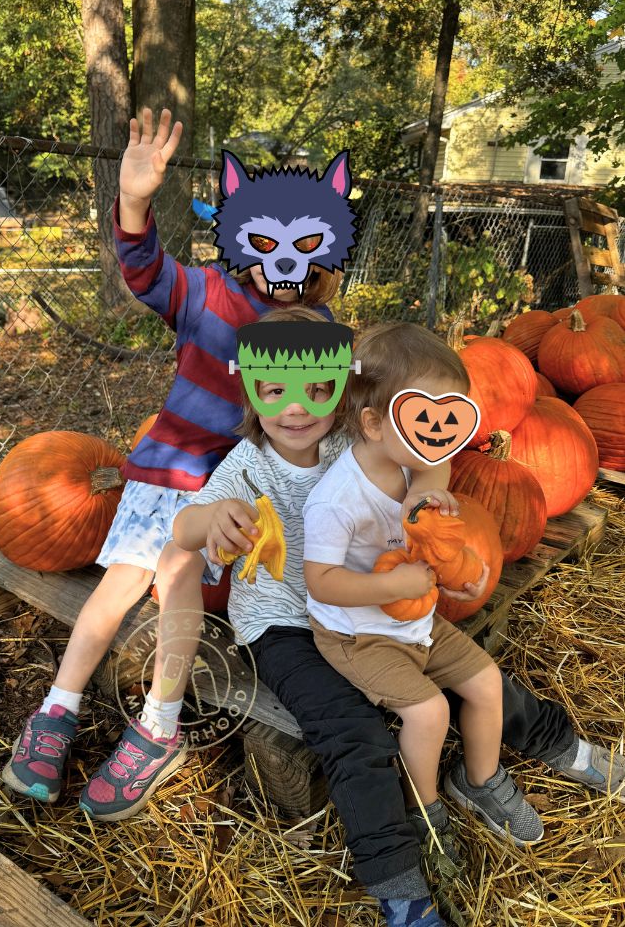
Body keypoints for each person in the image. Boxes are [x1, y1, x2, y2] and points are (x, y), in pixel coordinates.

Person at [170, 309, 624, 927]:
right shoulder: (245, 468)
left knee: (474, 674)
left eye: (319, 389)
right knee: (353, 732)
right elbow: (185, 526)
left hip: (379, 607)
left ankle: (554, 743)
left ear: (347, 392)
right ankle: (401, 884)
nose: (298, 408)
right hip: (285, 625)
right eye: (276, 390)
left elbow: (428, 453)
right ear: (251, 389)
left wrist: (422, 492)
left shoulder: (352, 440)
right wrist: (214, 519)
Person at [1, 108, 343, 818]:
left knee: (175, 574)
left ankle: (157, 729)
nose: (285, 262)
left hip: (234, 497)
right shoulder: (207, 294)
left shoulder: (319, 331)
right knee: (118, 584)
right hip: (165, 471)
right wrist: (133, 201)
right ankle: (56, 711)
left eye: (308, 244)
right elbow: (145, 269)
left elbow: (336, 412)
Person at [303, 322, 543, 854]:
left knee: (486, 684)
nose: (440, 437)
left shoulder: (415, 460)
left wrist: (451, 554)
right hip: (356, 634)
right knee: (429, 710)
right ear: (371, 423)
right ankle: (425, 806)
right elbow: (319, 583)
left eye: (450, 419)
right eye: (425, 420)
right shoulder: (336, 500)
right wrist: (393, 583)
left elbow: (439, 471)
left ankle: (477, 780)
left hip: (416, 619)